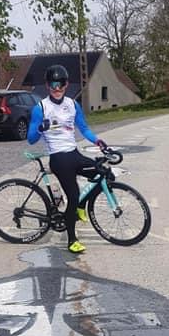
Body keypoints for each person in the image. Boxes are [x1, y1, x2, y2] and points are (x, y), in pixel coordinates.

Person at [27, 64, 108, 254]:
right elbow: (31, 139)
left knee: (104, 172)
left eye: (61, 84)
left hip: (74, 154)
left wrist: (97, 141)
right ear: (47, 85)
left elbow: (84, 128)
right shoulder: (40, 108)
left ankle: (80, 206)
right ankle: (72, 240)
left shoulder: (72, 104)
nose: (57, 88)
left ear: (66, 84)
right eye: (53, 84)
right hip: (58, 158)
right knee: (73, 195)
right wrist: (40, 128)